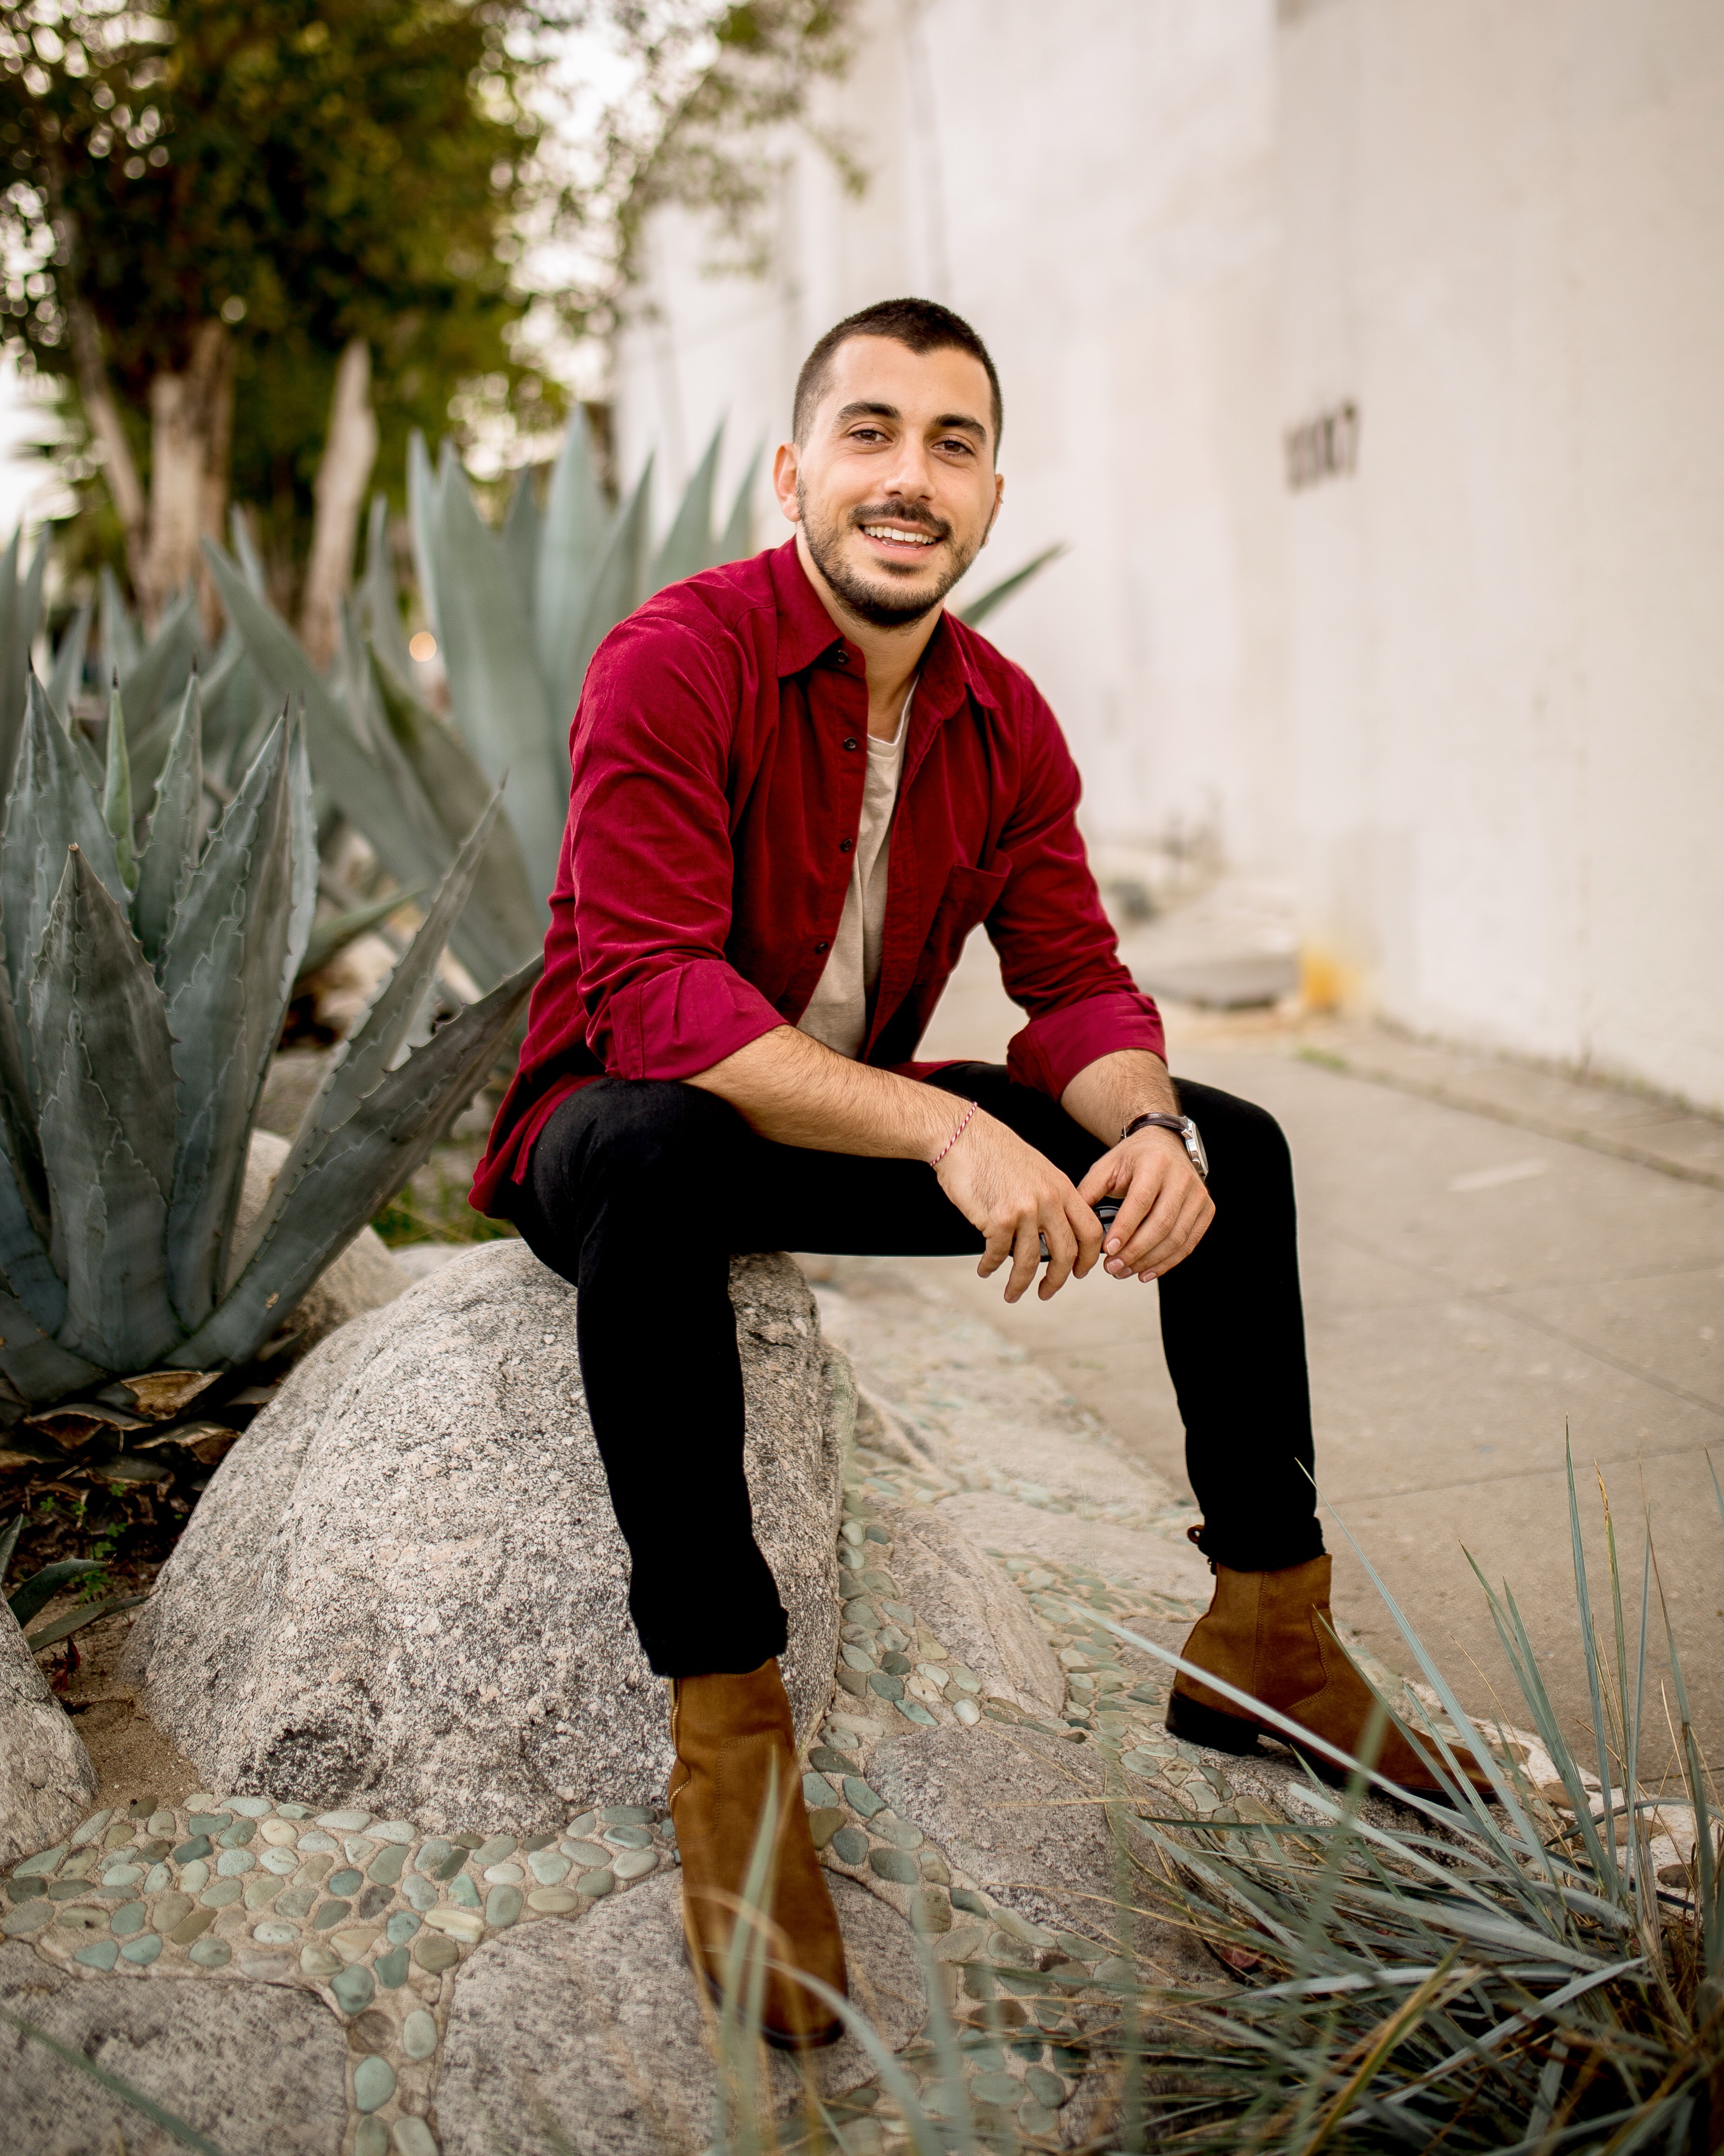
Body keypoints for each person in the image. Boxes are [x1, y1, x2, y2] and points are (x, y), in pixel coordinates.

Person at [471, 296, 1472, 2049]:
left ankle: (1269, 1634)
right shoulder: (676, 655)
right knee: (661, 1143)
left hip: (832, 1111)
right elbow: (648, 992)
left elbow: (1075, 981)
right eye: (868, 433)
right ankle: (728, 1719)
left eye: (950, 443)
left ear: (991, 497)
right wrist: (948, 1126)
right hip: (622, 1124)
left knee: (1232, 1142)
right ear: (796, 472)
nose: (906, 477)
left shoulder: (1004, 721)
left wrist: (1143, 1127)